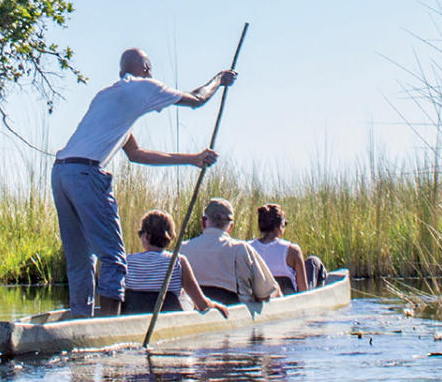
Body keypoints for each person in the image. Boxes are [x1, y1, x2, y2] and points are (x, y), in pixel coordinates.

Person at [52, 48, 236, 317]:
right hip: (86, 174)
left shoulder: (108, 96)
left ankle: (81, 319)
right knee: (113, 258)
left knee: (80, 260)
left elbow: (137, 154)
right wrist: (219, 79)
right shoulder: (145, 86)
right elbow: (197, 99)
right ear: (148, 68)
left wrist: (193, 159)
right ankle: (108, 327)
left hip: (60, 173)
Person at [124, 210, 229, 317]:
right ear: (171, 238)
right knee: (185, 299)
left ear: (146, 236)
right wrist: (214, 305)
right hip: (168, 320)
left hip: (135, 317)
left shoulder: (128, 261)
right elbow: (201, 304)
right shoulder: (177, 261)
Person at [180, 198, 282, 305]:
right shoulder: (241, 249)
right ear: (231, 227)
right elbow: (264, 293)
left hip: (194, 311)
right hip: (232, 311)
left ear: (204, 222)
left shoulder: (183, 249)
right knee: (275, 290)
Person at [249, 203, 327, 295]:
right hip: (288, 298)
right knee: (314, 262)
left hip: (259, 296)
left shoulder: (247, 247)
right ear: (280, 225)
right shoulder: (292, 250)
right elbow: (303, 290)